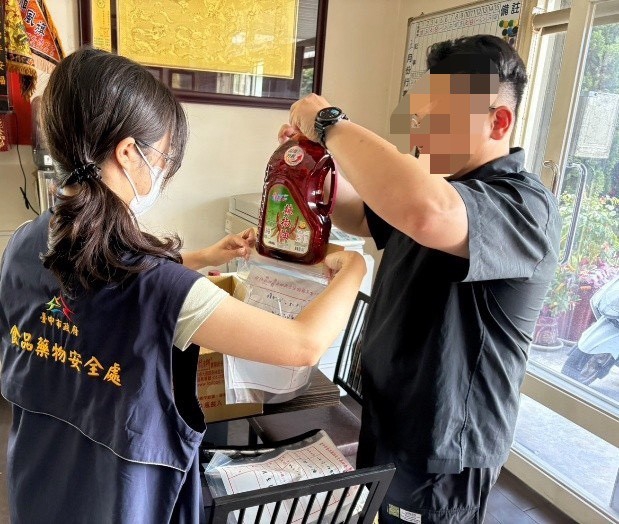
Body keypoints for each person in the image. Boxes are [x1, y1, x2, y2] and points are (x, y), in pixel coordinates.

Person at [0, 48, 366, 524]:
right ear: (128, 153)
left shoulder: (24, 241)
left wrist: (203, 257)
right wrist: (355, 265)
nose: (165, 168)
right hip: (125, 496)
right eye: (163, 154)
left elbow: (100, 279)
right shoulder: (166, 290)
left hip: (39, 475)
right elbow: (302, 345)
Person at [280, 34, 561, 523]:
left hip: (442, 446)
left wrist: (329, 124)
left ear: (498, 121)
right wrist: (310, 164)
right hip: (393, 416)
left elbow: (426, 212)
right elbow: (361, 214)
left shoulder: (523, 205)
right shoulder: (439, 185)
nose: (420, 129)